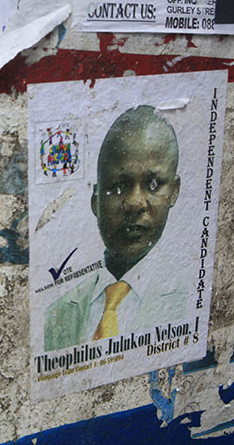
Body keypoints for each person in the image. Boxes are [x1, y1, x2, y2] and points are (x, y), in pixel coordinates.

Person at [44, 105, 188, 351]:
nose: (135, 203)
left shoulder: (188, 296)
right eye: (119, 186)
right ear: (95, 201)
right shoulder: (57, 313)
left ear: (173, 192)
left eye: (153, 185)